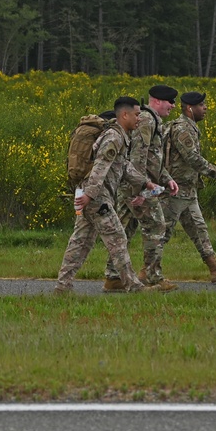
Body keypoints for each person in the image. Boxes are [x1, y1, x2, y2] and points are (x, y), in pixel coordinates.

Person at [55, 96, 162, 294]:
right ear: (124, 114)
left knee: (81, 241)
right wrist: (90, 195)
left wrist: (145, 182)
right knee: (118, 237)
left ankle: (63, 286)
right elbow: (101, 166)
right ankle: (134, 286)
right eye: (137, 115)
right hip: (97, 197)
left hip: (89, 194)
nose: (139, 119)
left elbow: (124, 167)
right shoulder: (114, 137)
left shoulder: (120, 136)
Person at [103, 84, 181, 293]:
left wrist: (167, 179)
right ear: (156, 101)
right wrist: (141, 192)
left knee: (124, 230)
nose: (173, 106)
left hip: (134, 185)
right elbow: (138, 157)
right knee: (156, 226)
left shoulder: (151, 120)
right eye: (169, 102)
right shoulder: (147, 120)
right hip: (136, 186)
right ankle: (153, 277)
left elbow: (153, 159)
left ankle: (113, 277)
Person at [162, 91, 216, 283]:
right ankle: (147, 271)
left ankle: (215, 268)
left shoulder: (190, 127)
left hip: (188, 189)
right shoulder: (183, 129)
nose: (205, 108)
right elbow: (193, 158)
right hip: (175, 189)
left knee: (198, 228)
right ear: (190, 108)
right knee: (162, 232)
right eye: (201, 105)